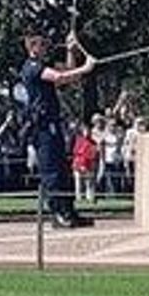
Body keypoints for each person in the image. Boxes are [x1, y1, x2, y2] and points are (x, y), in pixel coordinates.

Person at [21, 29, 97, 228]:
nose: (46, 48)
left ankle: (68, 210)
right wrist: (86, 68)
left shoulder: (43, 65)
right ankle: (57, 213)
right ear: (33, 47)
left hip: (53, 124)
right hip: (42, 126)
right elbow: (59, 78)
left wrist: (72, 52)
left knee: (63, 170)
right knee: (51, 171)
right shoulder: (32, 67)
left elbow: (67, 74)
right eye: (42, 44)